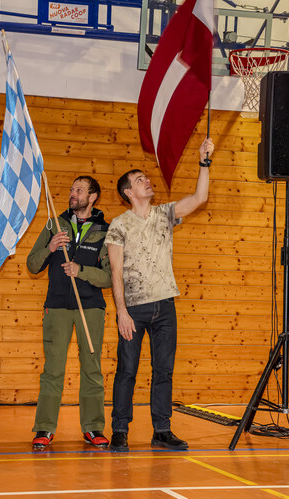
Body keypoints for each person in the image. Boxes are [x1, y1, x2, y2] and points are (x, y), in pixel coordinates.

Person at [105, 138, 214, 452]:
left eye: (146, 178)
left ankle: (162, 430)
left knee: (163, 370)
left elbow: (200, 197)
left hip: (165, 305)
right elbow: (115, 272)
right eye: (140, 180)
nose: (148, 181)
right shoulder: (119, 225)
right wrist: (121, 312)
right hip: (134, 309)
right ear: (129, 192)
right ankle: (120, 430)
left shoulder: (165, 214)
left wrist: (204, 162)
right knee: (127, 370)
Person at [26, 176, 112, 450]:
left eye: (79, 190)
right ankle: (44, 428)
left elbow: (110, 277)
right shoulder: (54, 224)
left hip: (91, 308)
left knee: (92, 369)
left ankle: (93, 427)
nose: (73, 194)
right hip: (57, 307)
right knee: (52, 370)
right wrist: (50, 247)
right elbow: (32, 265)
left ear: (93, 197)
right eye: (72, 189)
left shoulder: (105, 230)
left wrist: (81, 271)